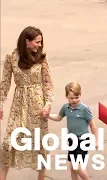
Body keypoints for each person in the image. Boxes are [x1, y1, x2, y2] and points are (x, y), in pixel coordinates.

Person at [0, 26, 54, 180]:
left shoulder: (42, 58)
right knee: (9, 142)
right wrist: (0, 103)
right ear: (26, 42)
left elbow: (48, 82)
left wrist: (48, 104)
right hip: (19, 104)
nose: (39, 45)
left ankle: (41, 177)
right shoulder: (11, 57)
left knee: (40, 142)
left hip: (38, 104)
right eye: (37, 42)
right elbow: (4, 83)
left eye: (40, 42)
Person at [47, 82, 98, 180]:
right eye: (71, 98)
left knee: (76, 166)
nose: (74, 100)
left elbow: (92, 125)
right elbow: (58, 117)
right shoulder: (65, 108)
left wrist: (96, 140)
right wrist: (48, 115)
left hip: (83, 140)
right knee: (72, 168)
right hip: (72, 140)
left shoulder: (84, 109)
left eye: (76, 97)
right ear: (67, 97)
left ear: (80, 95)